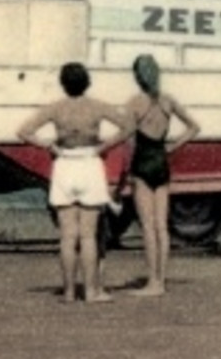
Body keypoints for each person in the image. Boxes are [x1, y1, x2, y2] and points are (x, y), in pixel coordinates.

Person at [16, 63, 131, 304]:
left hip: (65, 164)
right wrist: (105, 145)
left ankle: (68, 292)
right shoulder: (97, 106)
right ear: (86, 82)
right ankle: (91, 291)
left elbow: (24, 131)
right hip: (89, 162)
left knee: (68, 236)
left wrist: (49, 145)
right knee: (88, 236)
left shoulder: (56, 109)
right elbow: (129, 126)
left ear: (63, 83)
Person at [124, 54, 201, 296]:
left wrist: (126, 172)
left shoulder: (134, 103)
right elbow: (194, 127)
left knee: (147, 227)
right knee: (162, 226)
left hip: (142, 163)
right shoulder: (168, 101)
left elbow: (129, 141)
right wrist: (173, 146)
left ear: (137, 76)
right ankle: (162, 281)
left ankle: (152, 282)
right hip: (161, 162)